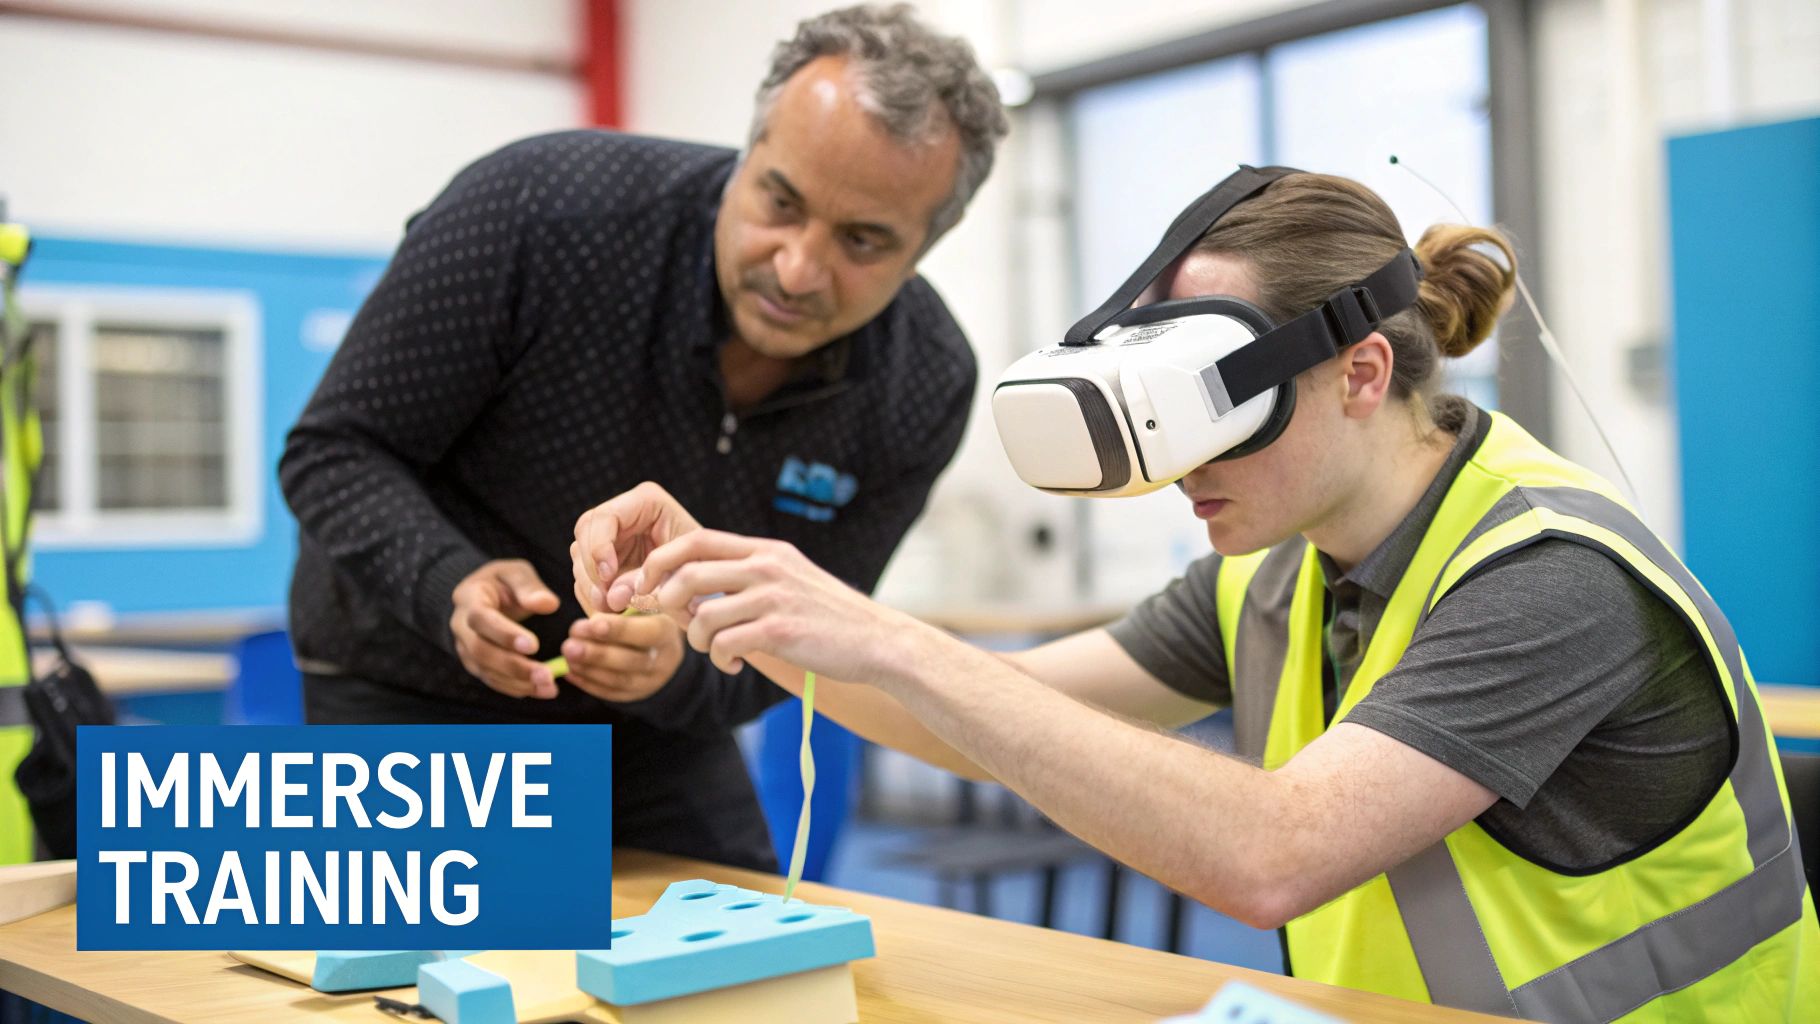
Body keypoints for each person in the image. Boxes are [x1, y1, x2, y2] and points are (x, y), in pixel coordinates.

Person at [572, 170, 1818, 1018]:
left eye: (1212, 416)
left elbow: (1273, 856)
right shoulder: (1272, 570)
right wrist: (741, 594)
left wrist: (886, 634)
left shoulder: (1550, 581)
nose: (1178, 468)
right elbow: (985, 713)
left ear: (1359, 370)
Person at [279, 3, 1007, 872]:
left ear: (925, 246)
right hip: (408, 689)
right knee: (419, 995)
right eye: (780, 201)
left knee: (746, 987)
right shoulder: (538, 213)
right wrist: (447, 583)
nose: (797, 269)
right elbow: (334, 450)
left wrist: (675, 671)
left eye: (863, 241)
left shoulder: (921, 382)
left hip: (656, 724)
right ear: (748, 152)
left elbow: (811, 640)